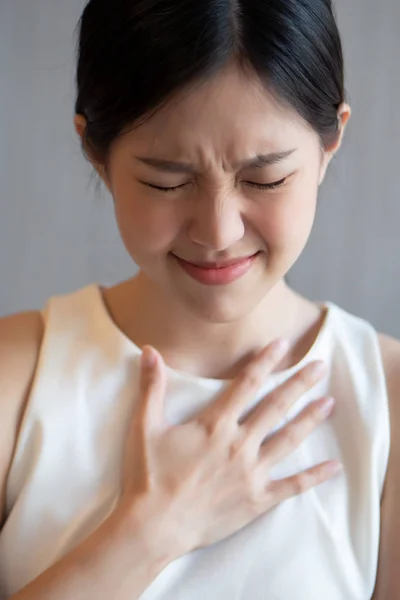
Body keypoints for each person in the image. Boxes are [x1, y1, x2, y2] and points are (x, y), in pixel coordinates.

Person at [0, 0, 399, 598]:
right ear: (96, 153)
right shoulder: (15, 376)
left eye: (264, 180)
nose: (218, 232)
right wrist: (152, 531)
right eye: (168, 181)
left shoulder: (387, 399)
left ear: (329, 143)